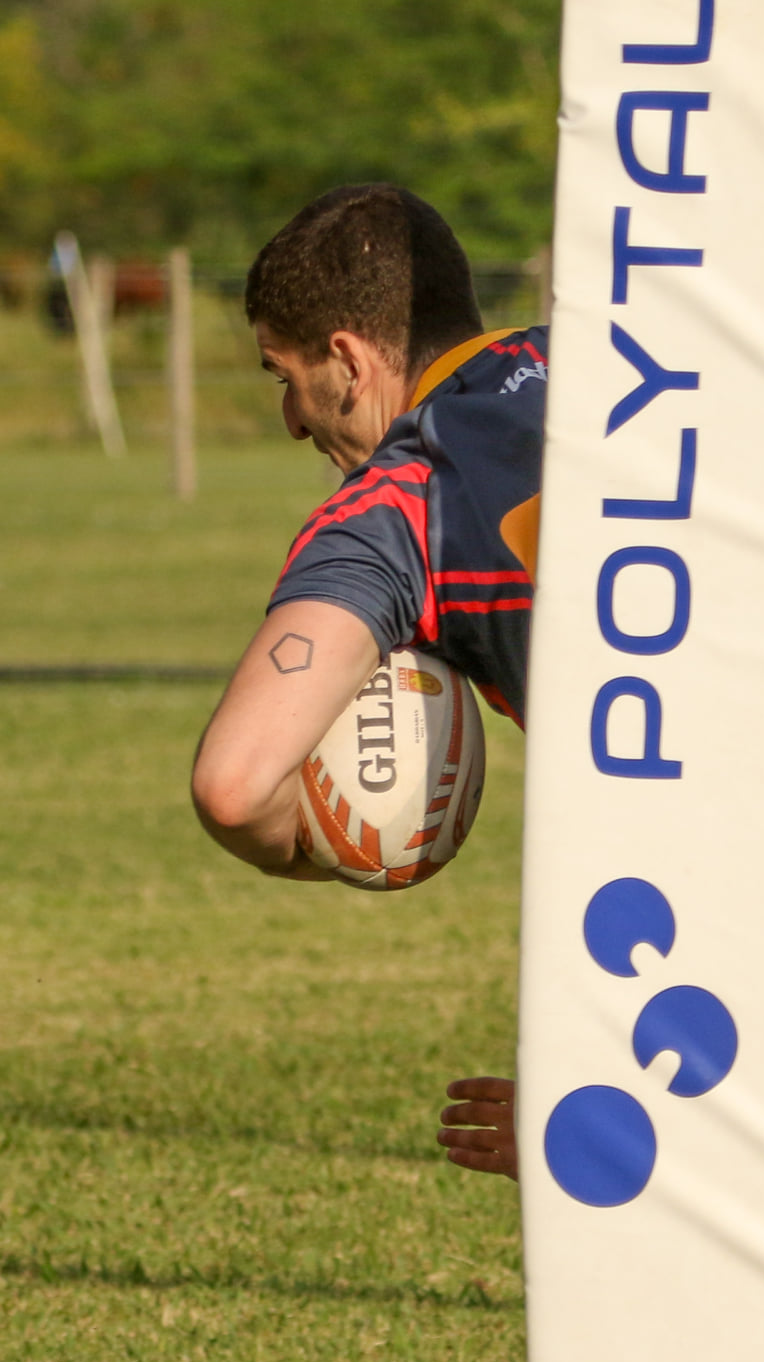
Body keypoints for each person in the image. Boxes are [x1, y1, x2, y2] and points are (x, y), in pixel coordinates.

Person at [190, 183, 546, 884]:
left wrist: (341, 842)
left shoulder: (397, 508)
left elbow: (236, 790)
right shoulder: (635, 363)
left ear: (349, 363)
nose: (292, 419)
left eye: (285, 376)